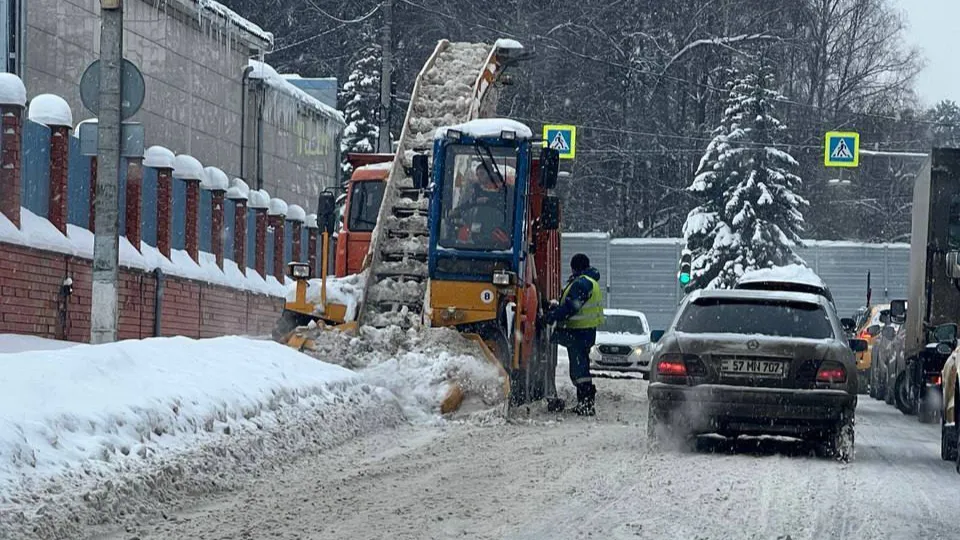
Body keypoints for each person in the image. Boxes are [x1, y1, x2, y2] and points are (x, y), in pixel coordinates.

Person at [545, 253, 604, 416]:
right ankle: (585, 403)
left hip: (579, 333)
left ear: (574, 267)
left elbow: (572, 306)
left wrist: (552, 316)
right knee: (580, 368)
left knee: (579, 370)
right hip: (585, 332)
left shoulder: (582, 283)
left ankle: (586, 404)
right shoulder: (590, 281)